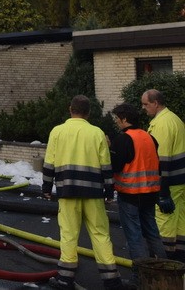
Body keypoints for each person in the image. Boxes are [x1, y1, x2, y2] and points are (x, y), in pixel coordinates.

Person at [43, 95, 127, 290]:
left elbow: (49, 164)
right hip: (94, 194)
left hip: (68, 192)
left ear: (69, 109)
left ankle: (65, 278)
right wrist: (108, 191)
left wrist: (47, 189)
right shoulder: (97, 133)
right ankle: (111, 280)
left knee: (69, 235)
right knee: (100, 234)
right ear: (89, 112)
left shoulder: (57, 132)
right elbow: (106, 166)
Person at [110, 102, 167, 285]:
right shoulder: (149, 137)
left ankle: (140, 278)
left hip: (130, 194)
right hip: (150, 193)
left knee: (134, 237)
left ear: (124, 119)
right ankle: (163, 272)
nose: (117, 122)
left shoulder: (124, 139)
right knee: (152, 233)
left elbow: (116, 166)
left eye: (118, 119)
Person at [142, 88, 185, 262]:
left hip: (169, 182)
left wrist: (163, 190)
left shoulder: (162, 125)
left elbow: (161, 159)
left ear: (155, 103)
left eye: (146, 104)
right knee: (180, 219)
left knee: (164, 221)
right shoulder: (174, 119)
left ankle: (164, 262)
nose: (143, 108)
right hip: (180, 179)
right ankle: (180, 260)